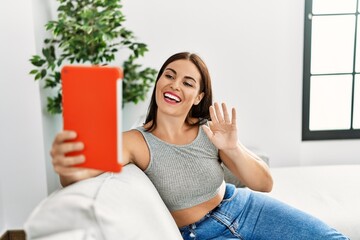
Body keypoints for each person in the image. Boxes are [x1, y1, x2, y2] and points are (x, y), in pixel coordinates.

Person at [51, 52, 348, 239]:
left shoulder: (209, 131)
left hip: (243, 207)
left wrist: (231, 147)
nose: (175, 85)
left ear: (197, 96)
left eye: (188, 82)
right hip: (200, 233)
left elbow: (264, 183)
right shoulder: (135, 141)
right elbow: (79, 174)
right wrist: (67, 169)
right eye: (169, 75)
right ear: (158, 84)